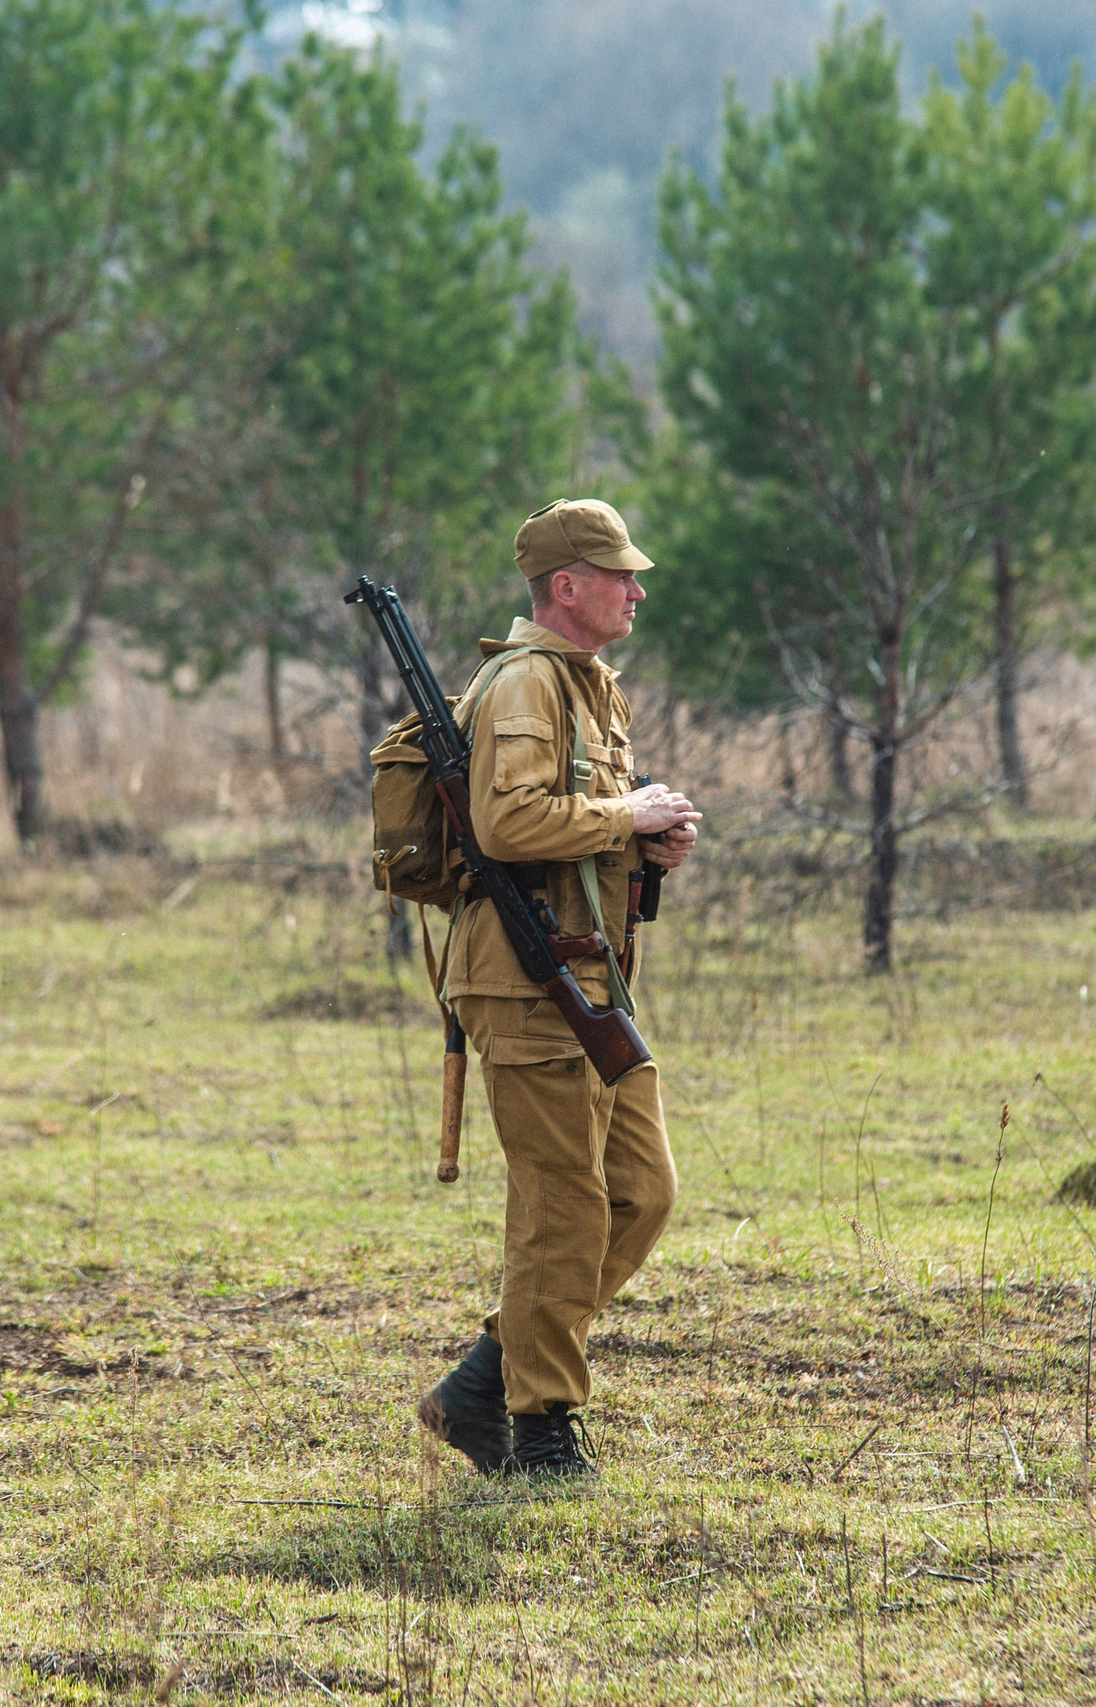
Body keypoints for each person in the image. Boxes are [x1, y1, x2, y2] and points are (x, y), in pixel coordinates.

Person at [416, 499, 702, 1480]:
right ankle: (540, 1430)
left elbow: (576, 832)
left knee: (643, 1194)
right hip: (523, 981)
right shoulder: (526, 686)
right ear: (566, 587)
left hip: (590, 973)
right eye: (619, 573)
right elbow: (507, 827)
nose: (637, 588)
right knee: (563, 1208)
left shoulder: (594, 687)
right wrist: (625, 812)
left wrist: (644, 848)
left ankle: (486, 1376)